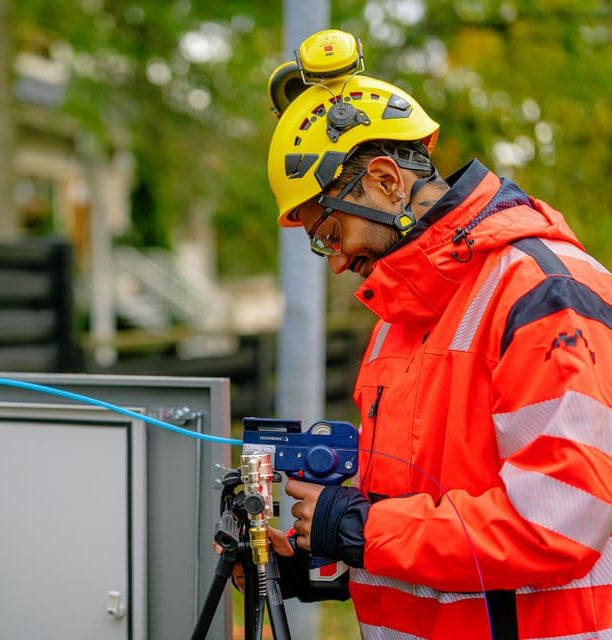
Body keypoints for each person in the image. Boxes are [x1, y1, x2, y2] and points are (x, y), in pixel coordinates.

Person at [257, 28, 612, 640]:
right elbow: (414, 518)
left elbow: (557, 523)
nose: (335, 260)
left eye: (331, 232)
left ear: (388, 181)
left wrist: (354, 530)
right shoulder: (400, 316)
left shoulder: (542, 294)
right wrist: (309, 560)